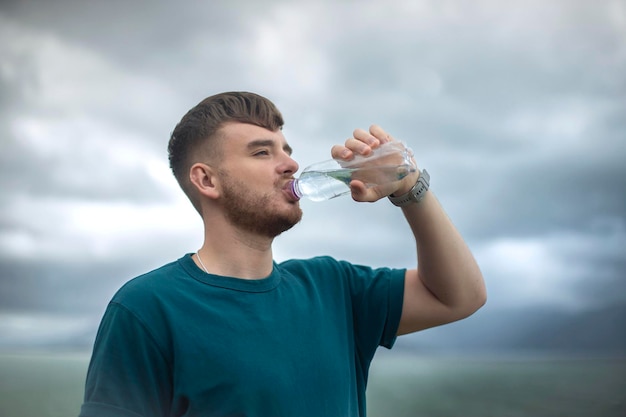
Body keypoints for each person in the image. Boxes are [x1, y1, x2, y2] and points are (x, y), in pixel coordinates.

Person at [79, 91, 486, 417]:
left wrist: (410, 187)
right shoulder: (147, 308)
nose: (290, 164)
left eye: (286, 149)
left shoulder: (334, 288)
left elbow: (459, 297)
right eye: (262, 152)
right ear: (207, 179)